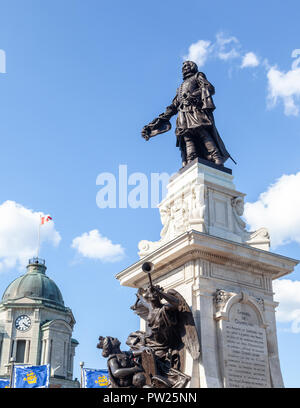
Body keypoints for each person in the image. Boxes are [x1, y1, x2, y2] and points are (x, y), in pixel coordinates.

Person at [142, 60, 231, 167]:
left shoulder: (198, 76)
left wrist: (193, 95)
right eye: (183, 67)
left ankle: (217, 157)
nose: (184, 68)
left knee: (202, 132)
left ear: (193, 67)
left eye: (187, 66)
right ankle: (191, 160)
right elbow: (173, 106)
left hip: (195, 111)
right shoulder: (180, 87)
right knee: (187, 138)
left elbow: (209, 88)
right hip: (182, 116)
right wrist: (155, 124)